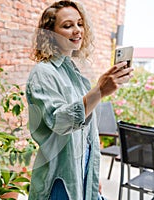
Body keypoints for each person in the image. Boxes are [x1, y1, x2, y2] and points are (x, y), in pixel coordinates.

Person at [25, 1, 133, 200]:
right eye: (67, 26)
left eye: (80, 24)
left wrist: (90, 172)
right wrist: (100, 90)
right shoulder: (43, 73)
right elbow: (60, 122)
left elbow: (85, 132)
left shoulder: (73, 72)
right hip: (59, 178)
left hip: (81, 172)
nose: (77, 31)